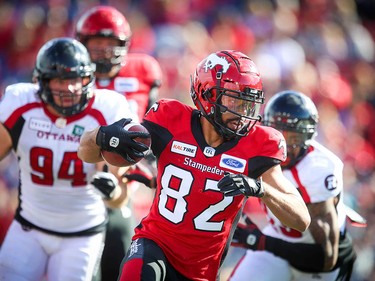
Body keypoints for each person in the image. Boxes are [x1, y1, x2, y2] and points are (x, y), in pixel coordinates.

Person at [77, 50, 311, 281]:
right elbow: (86, 153)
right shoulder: (169, 119)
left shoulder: (259, 144)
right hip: (156, 243)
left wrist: (261, 189)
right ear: (207, 94)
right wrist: (101, 136)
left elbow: (301, 220)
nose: (243, 113)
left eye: (248, 104)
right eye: (235, 101)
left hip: (202, 271)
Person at [0, 37, 140, 281]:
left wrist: (112, 192)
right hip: (28, 228)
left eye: (76, 79)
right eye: (61, 80)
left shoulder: (109, 108)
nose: (71, 88)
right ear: (41, 81)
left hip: (82, 235)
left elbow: (120, 199)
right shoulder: (20, 102)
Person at [229, 90, 357, 281]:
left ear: (307, 136)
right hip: (277, 239)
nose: (283, 145)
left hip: (315, 262)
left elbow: (326, 257)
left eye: (293, 138)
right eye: (278, 134)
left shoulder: (318, 168)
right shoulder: (260, 149)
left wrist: (262, 241)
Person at [75, 5, 162, 280]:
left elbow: (154, 127)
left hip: (123, 179)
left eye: (111, 43)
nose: (104, 50)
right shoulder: (70, 79)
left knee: (121, 250)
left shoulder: (144, 70)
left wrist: (147, 164)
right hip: (75, 175)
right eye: (97, 43)